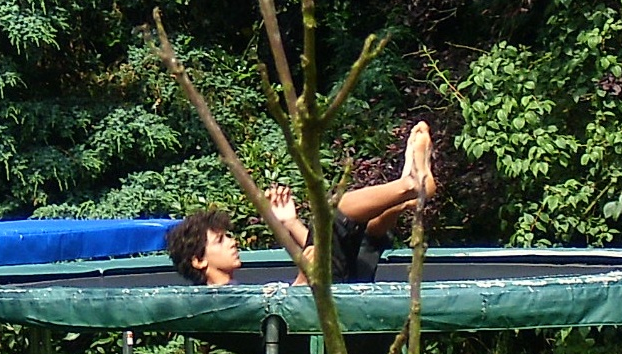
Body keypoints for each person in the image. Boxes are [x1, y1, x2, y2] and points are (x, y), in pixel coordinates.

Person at [168, 121, 436, 286]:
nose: (233, 242)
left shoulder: (236, 290)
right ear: (198, 261)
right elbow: (283, 326)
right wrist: (302, 280)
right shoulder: (219, 304)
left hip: (339, 297)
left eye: (227, 236)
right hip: (323, 317)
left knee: (365, 234)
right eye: (220, 240)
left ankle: (405, 195)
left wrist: (291, 223)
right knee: (332, 213)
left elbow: (328, 252)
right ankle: (408, 185)